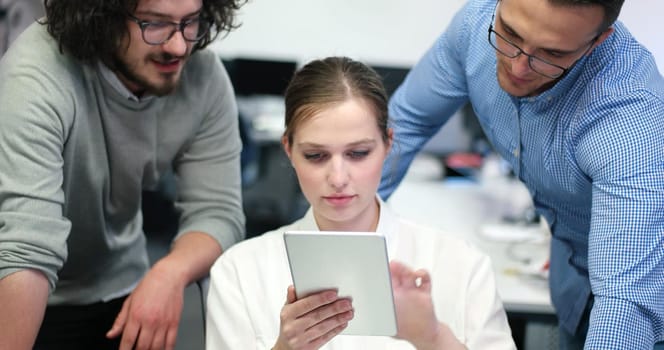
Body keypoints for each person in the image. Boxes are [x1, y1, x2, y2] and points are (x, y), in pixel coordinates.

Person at [377, 0, 664, 349]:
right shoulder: (475, 25)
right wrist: (342, 238)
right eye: (510, 33)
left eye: (550, 54)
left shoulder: (629, 121)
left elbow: (626, 302)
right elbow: (405, 125)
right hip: (573, 281)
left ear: (598, 41)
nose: (517, 65)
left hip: (642, 300)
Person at [205, 56, 516, 350]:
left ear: (388, 144)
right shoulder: (240, 272)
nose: (338, 177)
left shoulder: (462, 267)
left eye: (358, 153)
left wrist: (433, 339)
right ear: (288, 149)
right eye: (316, 156)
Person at [0, 0, 247, 348]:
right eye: (154, 24)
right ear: (102, 17)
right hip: (21, 289)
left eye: (190, 22)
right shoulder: (36, 76)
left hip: (119, 284)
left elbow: (218, 211)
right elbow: (27, 250)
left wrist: (170, 273)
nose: (178, 46)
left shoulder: (203, 77)